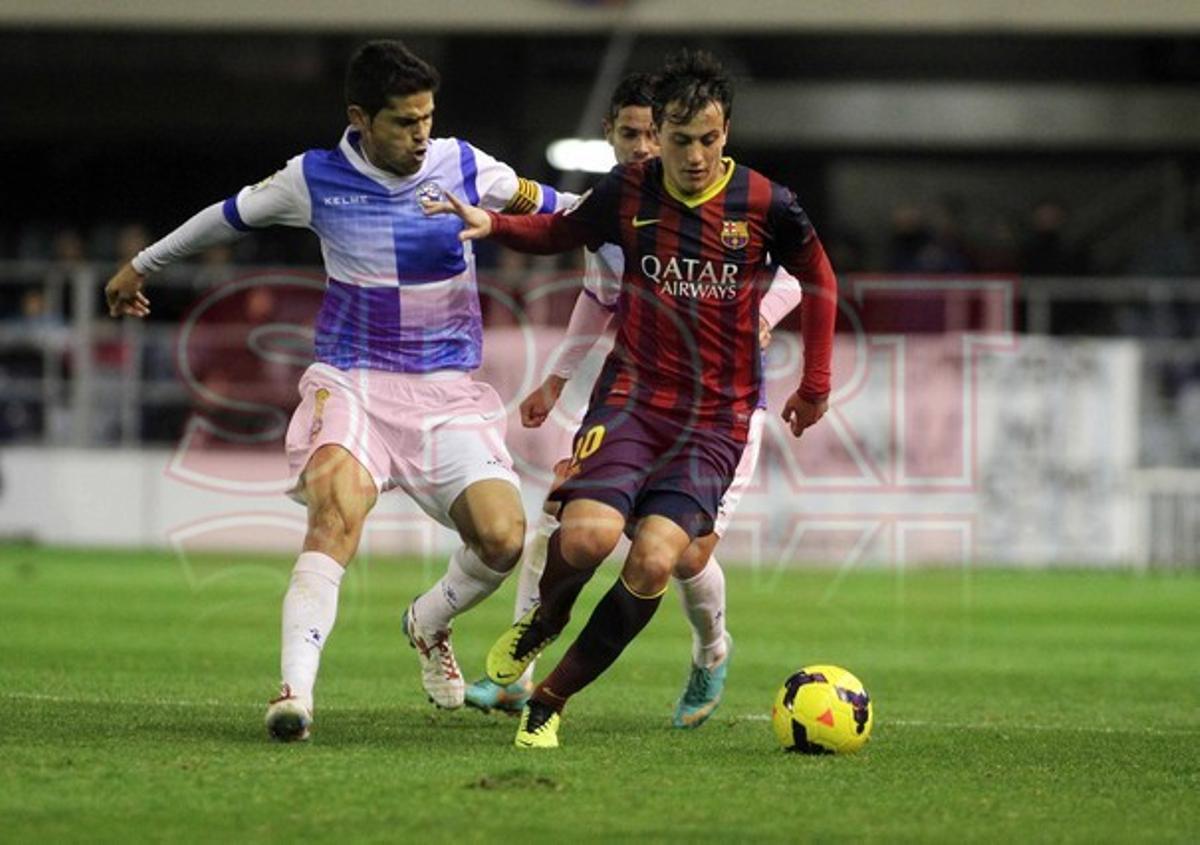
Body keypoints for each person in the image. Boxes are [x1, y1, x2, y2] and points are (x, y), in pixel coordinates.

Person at [104, 40, 573, 741]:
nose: (421, 135)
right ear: (361, 118)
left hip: (447, 393)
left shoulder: (466, 165)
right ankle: (295, 692)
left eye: (427, 119)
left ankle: (428, 621)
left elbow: (569, 212)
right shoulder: (313, 177)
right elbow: (227, 214)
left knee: (504, 539)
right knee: (334, 514)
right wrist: (143, 264)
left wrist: (649, 219)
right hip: (353, 384)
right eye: (404, 123)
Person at [427, 49, 838, 748]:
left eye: (708, 140)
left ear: (725, 132)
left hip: (717, 417)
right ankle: (545, 620)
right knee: (585, 536)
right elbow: (562, 234)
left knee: (660, 558)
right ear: (659, 135)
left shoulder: (766, 203)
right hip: (634, 398)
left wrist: (816, 382)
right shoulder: (629, 192)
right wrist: (494, 225)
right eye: (680, 140)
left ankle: (551, 700)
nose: (694, 156)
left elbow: (818, 274)